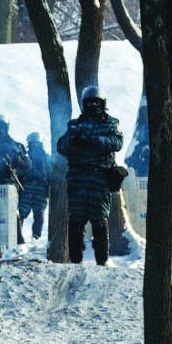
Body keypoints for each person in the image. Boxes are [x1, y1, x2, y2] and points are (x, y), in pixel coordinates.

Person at [56, 86, 124, 265]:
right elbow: (61, 147)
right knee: (76, 221)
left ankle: (102, 261)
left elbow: (117, 142)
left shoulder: (110, 123)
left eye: (96, 102)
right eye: (89, 102)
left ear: (103, 104)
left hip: (99, 177)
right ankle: (75, 262)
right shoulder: (74, 124)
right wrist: (73, 141)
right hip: (77, 177)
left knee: (99, 219)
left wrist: (93, 140)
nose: (92, 105)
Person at [19, 132, 53, 241]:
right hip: (37, 190)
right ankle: (34, 236)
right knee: (37, 214)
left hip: (29, 189)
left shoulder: (26, 157)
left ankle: (23, 236)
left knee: (24, 214)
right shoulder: (45, 157)